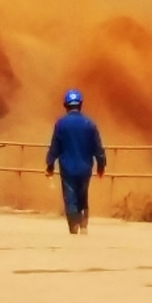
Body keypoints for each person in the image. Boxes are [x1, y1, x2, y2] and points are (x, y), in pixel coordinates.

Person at [45, 88, 107, 235]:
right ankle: (84, 226)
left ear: (66, 105)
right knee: (83, 195)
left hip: (67, 168)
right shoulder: (89, 124)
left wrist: (50, 164)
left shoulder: (61, 124)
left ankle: (73, 229)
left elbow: (55, 147)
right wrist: (101, 165)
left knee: (70, 197)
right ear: (80, 105)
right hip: (85, 168)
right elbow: (98, 148)